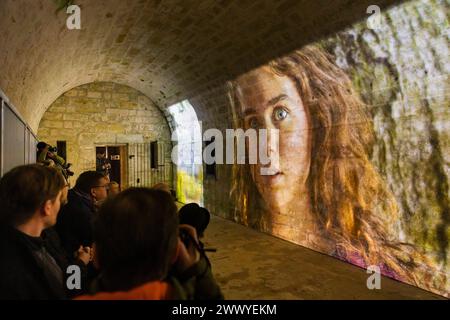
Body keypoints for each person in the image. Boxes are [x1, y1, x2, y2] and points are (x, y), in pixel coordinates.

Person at [228, 45, 447, 295]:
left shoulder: (370, 267)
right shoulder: (240, 245)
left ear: (318, 120)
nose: (266, 146)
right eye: (253, 123)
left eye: (281, 113)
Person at [76, 188, 223, 300]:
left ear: (97, 256)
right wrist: (198, 272)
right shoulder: (183, 295)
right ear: (175, 254)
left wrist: (78, 265)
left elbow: (71, 287)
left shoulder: (77, 288)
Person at [0, 165, 90, 299]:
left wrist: (79, 263)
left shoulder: (44, 238)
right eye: (59, 200)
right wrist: (81, 265)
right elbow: (70, 292)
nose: (61, 205)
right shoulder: (14, 269)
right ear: (47, 207)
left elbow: (69, 285)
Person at [55, 171, 108, 257]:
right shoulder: (83, 213)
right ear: (93, 192)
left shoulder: (71, 195)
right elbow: (92, 242)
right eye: (105, 187)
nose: (108, 189)